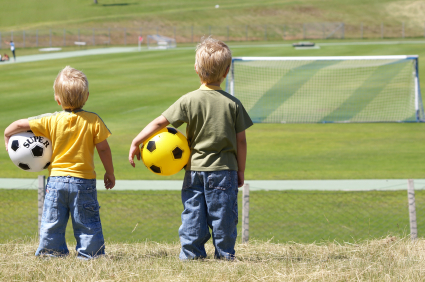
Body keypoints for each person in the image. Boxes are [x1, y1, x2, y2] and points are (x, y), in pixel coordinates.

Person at [129, 37, 253, 260]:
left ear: (196, 69)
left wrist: (136, 141)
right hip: (225, 171)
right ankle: (225, 256)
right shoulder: (233, 104)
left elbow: (159, 123)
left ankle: (191, 255)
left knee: (193, 214)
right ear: (226, 72)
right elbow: (241, 141)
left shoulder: (188, 100)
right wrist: (241, 170)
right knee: (224, 216)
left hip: (194, 171)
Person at [4, 66, 115, 259]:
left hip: (56, 181)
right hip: (84, 181)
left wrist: (7, 135)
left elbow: (20, 125)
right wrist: (109, 173)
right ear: (87, 96)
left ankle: (51, 253)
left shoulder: (51, 120)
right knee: (87, 222)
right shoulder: (93, 120)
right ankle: (91, 255)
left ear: (57, 99)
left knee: (52, 221)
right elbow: (104, 148)